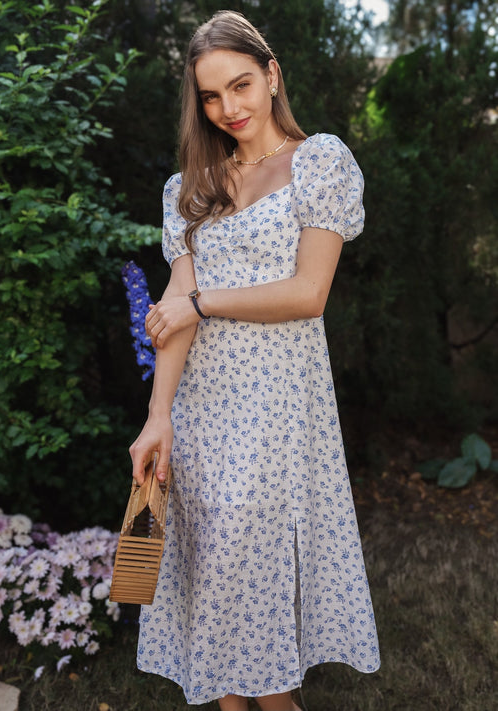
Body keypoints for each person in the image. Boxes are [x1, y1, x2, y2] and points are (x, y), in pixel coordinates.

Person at [129, 10, 380, 711]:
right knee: (213, 571)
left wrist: (201, 302)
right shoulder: (189, 186)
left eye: (240, 85)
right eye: (211, 96)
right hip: (200, 407)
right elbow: (174, 308)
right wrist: (158, 418)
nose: (228, 108)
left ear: (271, 75)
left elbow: (308, 292)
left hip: (275, 405)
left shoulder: (318, 161)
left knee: (247, 568)